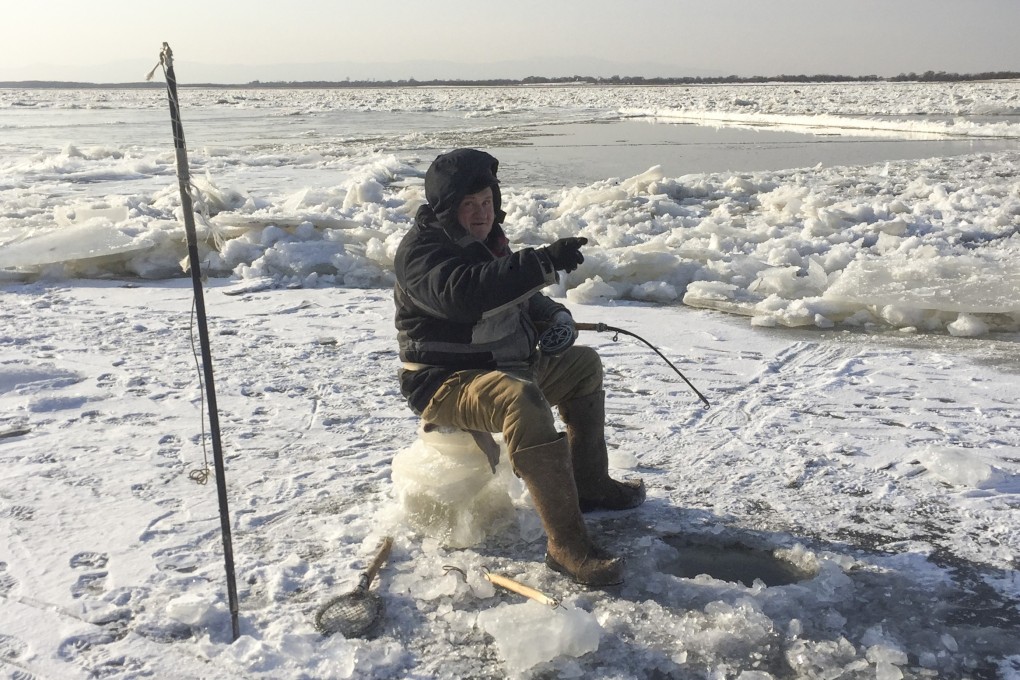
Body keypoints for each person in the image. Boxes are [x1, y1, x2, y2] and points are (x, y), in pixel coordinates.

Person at [393, 148, 645, 587]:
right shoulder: (422, 253)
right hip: (442, 382)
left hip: (503, 364)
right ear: (446, 209)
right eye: (468, 205)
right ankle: (567, 548)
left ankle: (590, 485)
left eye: (487, 202)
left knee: (582, 365)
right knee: (522, 399)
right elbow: (465, 294)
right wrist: (540, 262)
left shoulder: (489, 244)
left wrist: (555, 317)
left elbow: (522, 297)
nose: (480, 214)